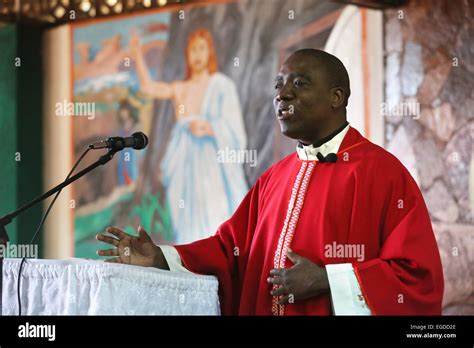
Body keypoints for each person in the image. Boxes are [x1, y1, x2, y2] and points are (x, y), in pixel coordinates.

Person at [96, 48, 444, 316]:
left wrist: (328, 281)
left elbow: (416, 278)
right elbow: (229, 252)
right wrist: (163, 257)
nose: (283, 95)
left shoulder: (383, 174)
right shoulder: (273, 179)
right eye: (279, 85)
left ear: (336, 97)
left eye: (299, 83)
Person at [130, 28, 248, 243]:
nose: (197, 54)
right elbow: (148, 87)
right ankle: (190, 258)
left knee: (215, 212)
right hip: (183, 160)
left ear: (209, 52)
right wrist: (137, 53)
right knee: (185, 215)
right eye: (192, 49)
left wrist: (209, 127)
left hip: (211, 160)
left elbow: (232, 126)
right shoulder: (180, 88)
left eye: (201, 48)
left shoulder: (221, 85)